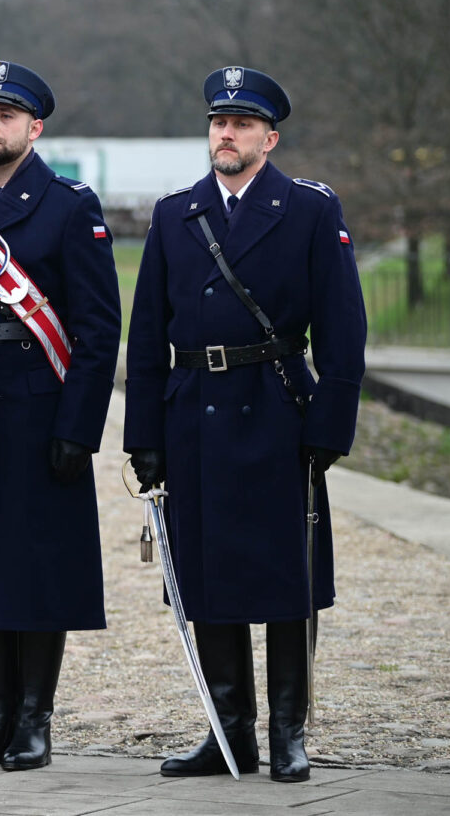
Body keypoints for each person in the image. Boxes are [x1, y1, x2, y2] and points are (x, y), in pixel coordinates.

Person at [123, 66, 367, 783]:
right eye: (216, 122)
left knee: (286, 579)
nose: (224, 133)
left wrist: (331, 422)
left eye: (240, 124)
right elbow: (146, 339)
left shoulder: (310, 210)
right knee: (207, 578)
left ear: (270, 136)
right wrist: (145, 435)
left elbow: (343, 330)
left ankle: (289, 730)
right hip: (194, 411)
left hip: (276, 409)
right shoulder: (176, 213)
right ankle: (228, 732)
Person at [0, 62, 121, 771]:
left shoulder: (69, 206)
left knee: (38, 571)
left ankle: (34, 720)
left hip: (40, 407)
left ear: (34, 128)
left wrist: (79, 427)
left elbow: (99, 331)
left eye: (5, 115)